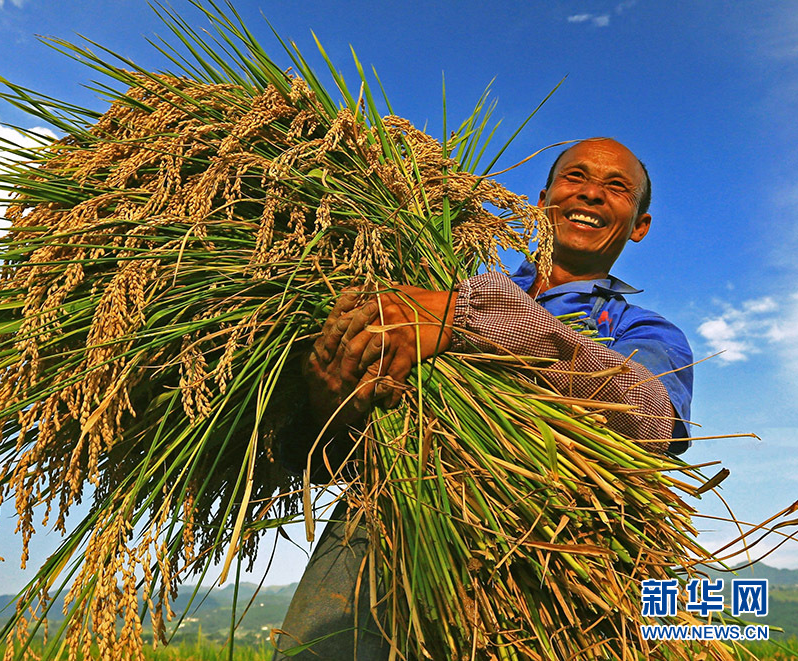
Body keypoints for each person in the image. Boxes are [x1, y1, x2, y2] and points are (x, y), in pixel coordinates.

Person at [272, 137, 693, 660]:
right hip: (365, 548)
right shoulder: (441, 281)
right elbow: (329, 460)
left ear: (640, 225)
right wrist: (330, 397)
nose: (590, 194)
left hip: (532, 571)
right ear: (542, 200)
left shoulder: (643, 330)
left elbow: (649, 419)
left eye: (616, 187)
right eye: (575, 178)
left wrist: (466, 321)